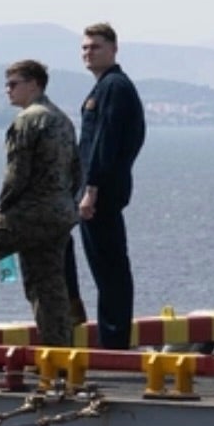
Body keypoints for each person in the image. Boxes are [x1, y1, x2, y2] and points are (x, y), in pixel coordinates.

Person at [0, 60, 79, 346]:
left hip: (31, 211)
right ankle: (59, 355)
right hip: (60, 212)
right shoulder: (63, 119)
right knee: (47, 284)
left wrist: (4, 209)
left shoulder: (27, 120)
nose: (7, 90)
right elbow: (77, 170)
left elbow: (17, 174)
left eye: (13, 84)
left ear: (34, 84)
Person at [75, 22, 146, 348]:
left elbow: (106, 143)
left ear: (114, 49)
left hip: (99, 195)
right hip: (99, 191)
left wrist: (92, 189)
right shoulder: (106, 86)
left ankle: (114, 341)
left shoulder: (114, 87)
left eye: (96, 47)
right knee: (107, 268)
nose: (88, 53)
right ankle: (112, 338)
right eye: (85, 47)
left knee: (111, 269)